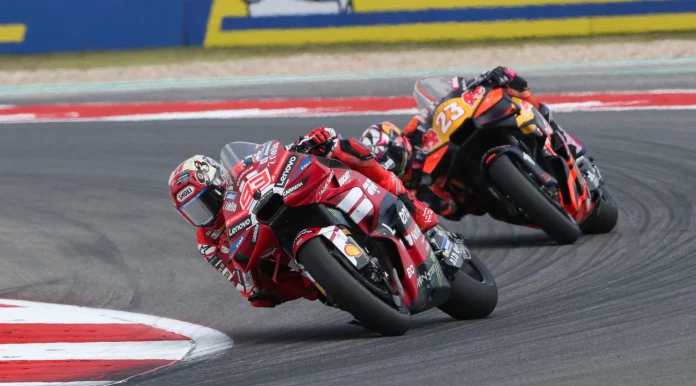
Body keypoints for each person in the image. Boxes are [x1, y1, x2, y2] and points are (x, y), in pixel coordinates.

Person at [168, 129, 441, 308]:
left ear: (218, 183)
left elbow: (272, 158)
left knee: (338, 147)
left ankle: (410, 205)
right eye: (194, 212)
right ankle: (330, 283)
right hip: (275, 251)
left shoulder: (240, 169)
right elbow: (243, 284)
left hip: (288, 198)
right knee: (262, 294)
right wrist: (247, 275)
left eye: (205, 202)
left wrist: (308, 143)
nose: (204, 215)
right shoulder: (207, 241)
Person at [360, 66, 586, 219]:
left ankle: (555, 133)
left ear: (400, 141)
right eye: (390, 167)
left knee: (510, 88)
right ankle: (525, 204)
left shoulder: (414, 130)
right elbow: (447, 211)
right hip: (469, 189)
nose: (397, 166)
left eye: (395, 156)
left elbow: (441, 104)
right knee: (477, 205)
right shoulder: (406, 189)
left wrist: (478, 82)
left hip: (464, 142)